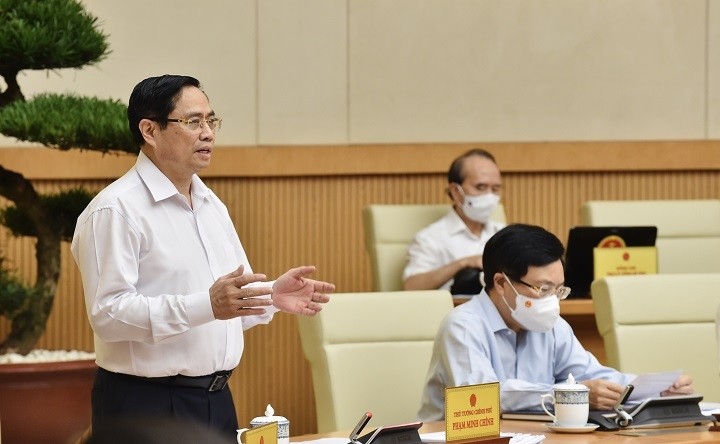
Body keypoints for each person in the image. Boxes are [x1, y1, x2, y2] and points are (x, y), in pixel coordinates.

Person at [70, 74, 335, 439]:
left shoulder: (211, 205)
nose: (208, 132)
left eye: (212, 121)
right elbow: (109, 314)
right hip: (145, 405)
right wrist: (206, 305)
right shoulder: (116, 210)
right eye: (193, 121)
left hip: (216, 399)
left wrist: (270, 295)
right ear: (150, 130)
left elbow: (226, 305)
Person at [417, 223, 693, 421]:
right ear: (501, 283)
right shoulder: (463, 326)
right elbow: (481, 399)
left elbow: (591, 377)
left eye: (558, 289)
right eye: (543, 289)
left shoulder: (551, 324)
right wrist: (569, 395)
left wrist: (655, 389)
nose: (552, 301)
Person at [403, 148, 505, 294]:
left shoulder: (504, 234)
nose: (489, 196)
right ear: (456, 192)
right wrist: (463, 263)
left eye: (495, 189)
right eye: (480, 187)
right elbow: (411, 286)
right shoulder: (430, 238)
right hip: (451, 312)